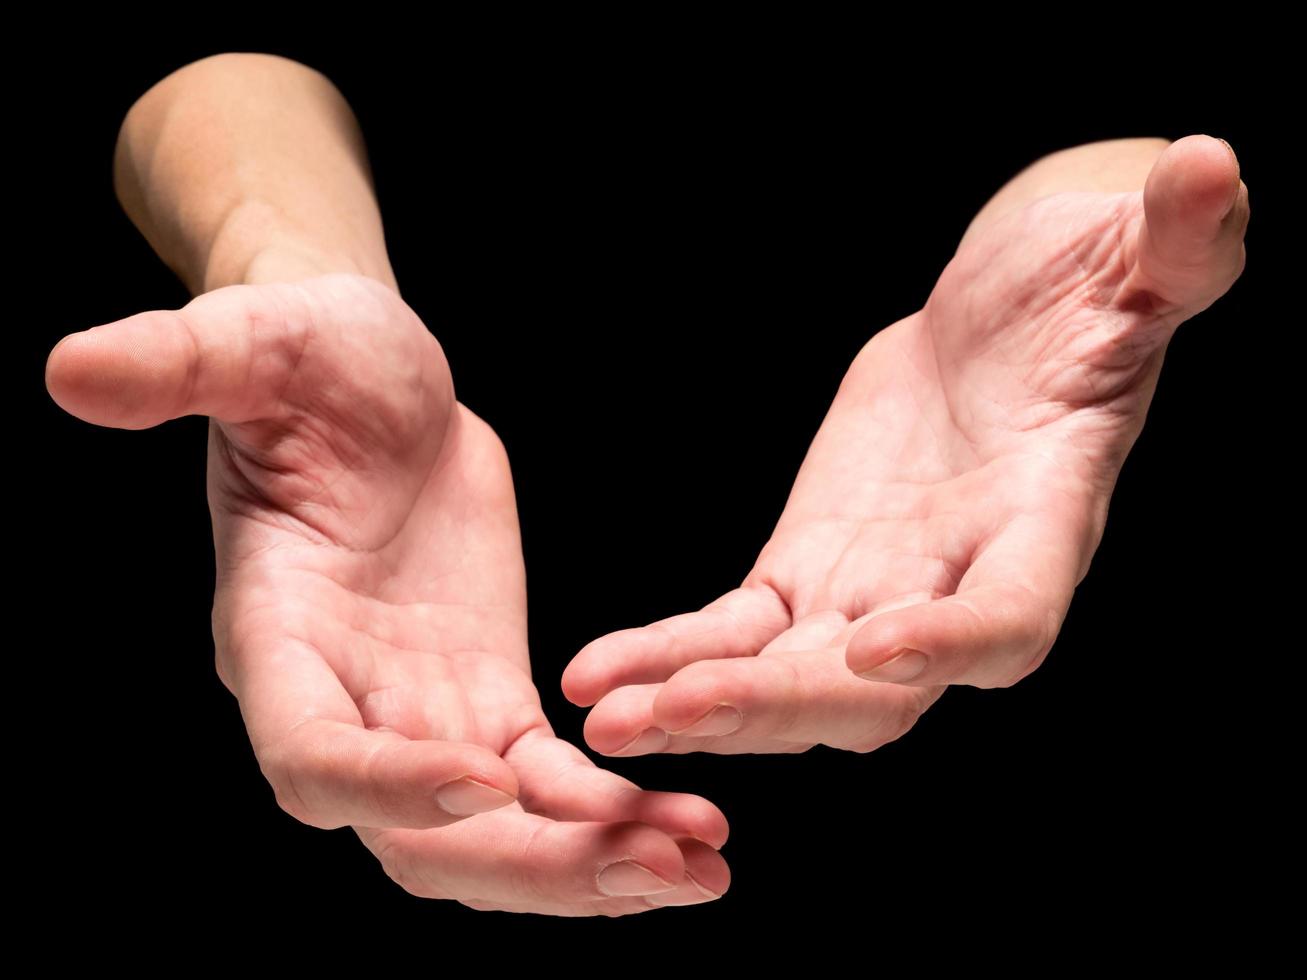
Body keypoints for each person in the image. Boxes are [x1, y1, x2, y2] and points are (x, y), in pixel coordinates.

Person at [42, 52, 1250, 917]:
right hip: (364, 568)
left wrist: (1084, 258)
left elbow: (1188, 144)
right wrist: (285, 259)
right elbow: (189, 65)